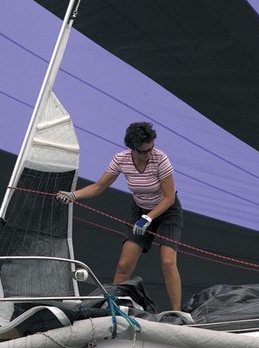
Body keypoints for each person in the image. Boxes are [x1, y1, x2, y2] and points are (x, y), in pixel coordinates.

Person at [57, 121, 183, 311]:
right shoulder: (121, 159)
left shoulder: (160, 159)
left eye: (151, 148)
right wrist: (73, 195)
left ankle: (178, 314)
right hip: (140, 211)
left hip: (167, 212)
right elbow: (98, 187)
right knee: (124, 266)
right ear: (132, 148)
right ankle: (112, 309)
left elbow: (169, 197)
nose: (148, 154)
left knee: (167, 262)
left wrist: (149, 218)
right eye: (143, 151)